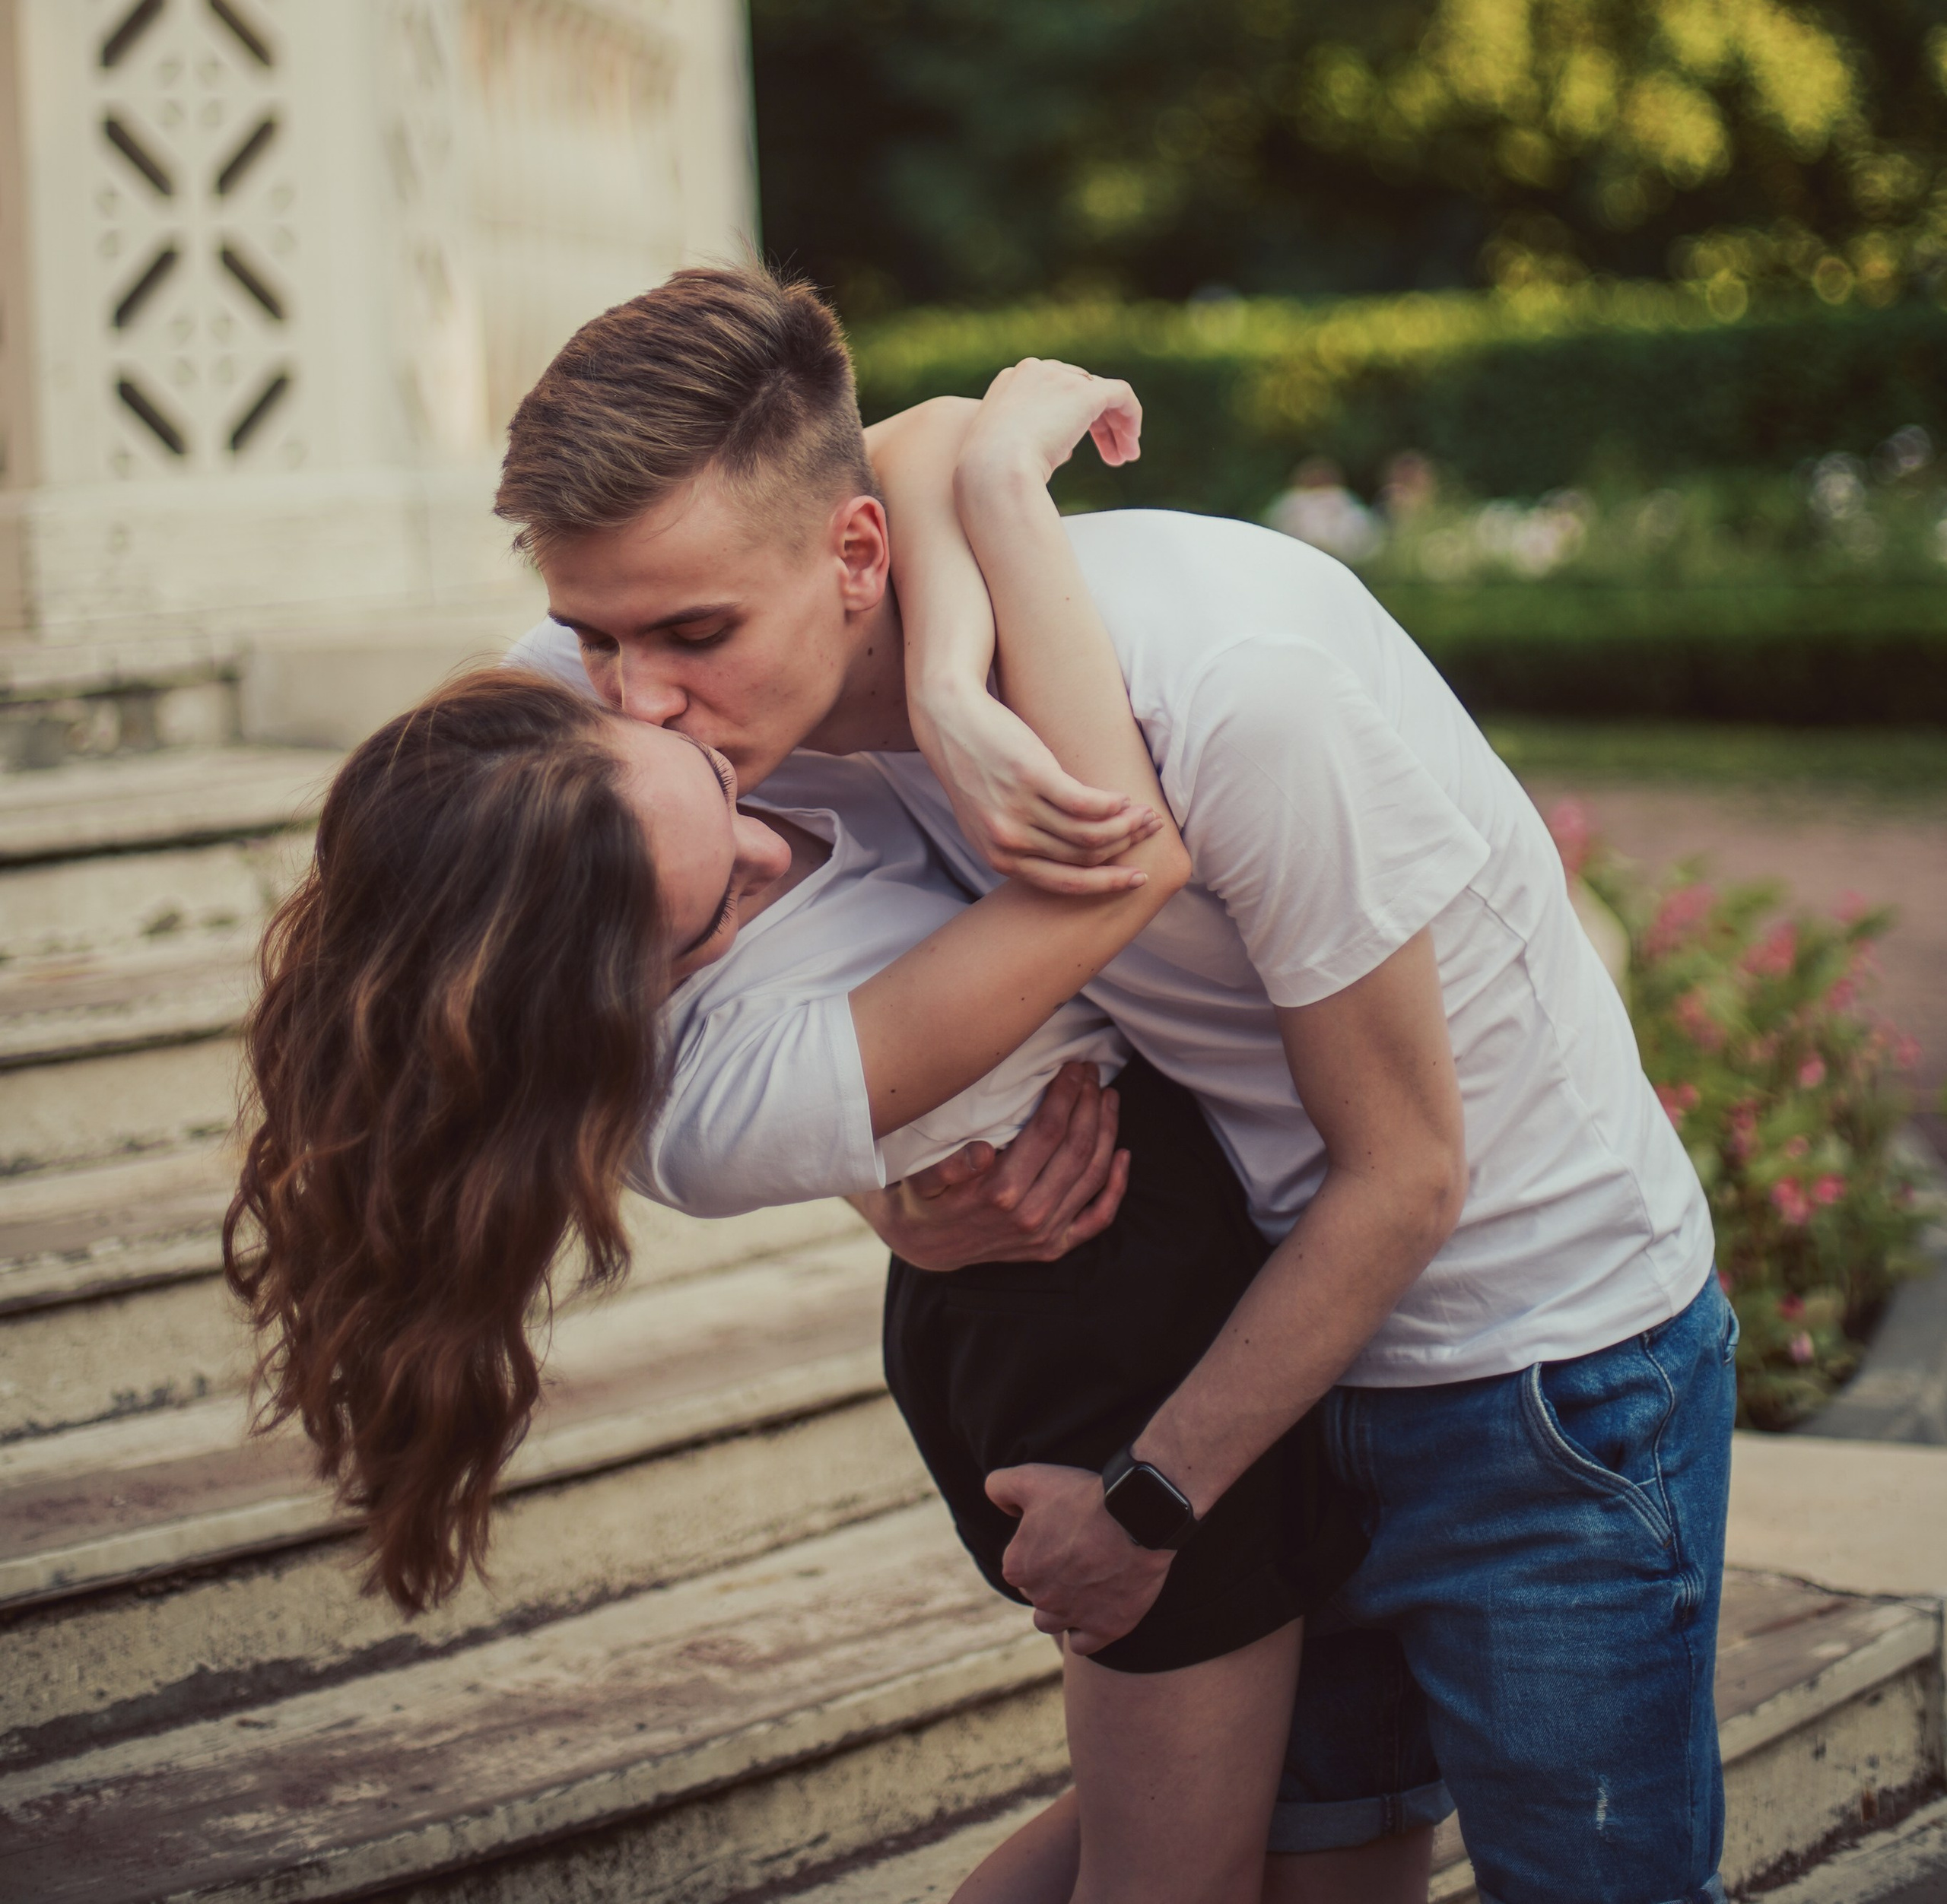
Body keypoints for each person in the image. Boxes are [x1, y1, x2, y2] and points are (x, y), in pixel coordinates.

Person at [499, 267, 1739, 1904]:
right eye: (596, 635)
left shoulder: (1233, 693)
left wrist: (1148, 1499)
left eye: (687, 638)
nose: (635, 700)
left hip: (1533, 1367)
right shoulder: (671, 704)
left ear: (852, 557)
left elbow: (1407, 1181)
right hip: (1259, 1330)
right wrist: (899, 1191)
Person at [224, 370, 1361, 1904]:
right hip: (1093, 1332)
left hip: (1094, 1264)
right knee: (1182, 1869)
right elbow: (1118, 858)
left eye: (719, 784)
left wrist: (944, 676)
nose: (783, 840)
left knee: (1171, 1819)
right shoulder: (724, 1094)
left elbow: (904, 441)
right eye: (734, 893)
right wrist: (1011, 505)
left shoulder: (570, 740)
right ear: (619, 979)